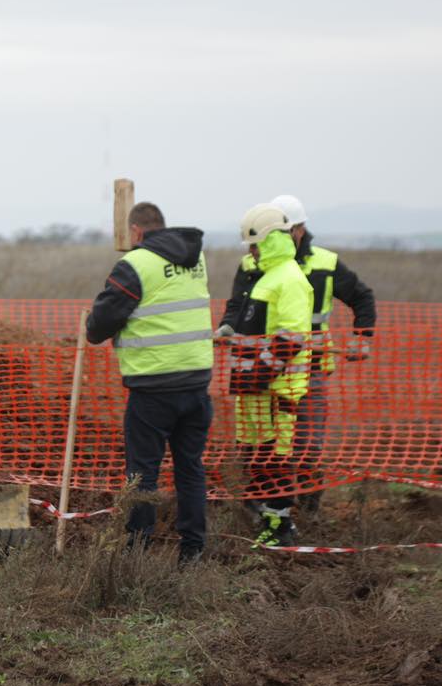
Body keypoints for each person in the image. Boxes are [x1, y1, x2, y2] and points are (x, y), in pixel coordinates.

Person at [85, 201, 214, 564]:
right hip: (196, 383)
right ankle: (192, 551)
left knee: (142, 473)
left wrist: (94, 323)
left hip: (154, 388)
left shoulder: (135, 265)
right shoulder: (196, 259)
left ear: (137, 232)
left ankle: (138, 551)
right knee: (190, 468)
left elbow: (100, 325)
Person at [269, 194, 376, 514]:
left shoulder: (326, 264)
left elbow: (362, 297)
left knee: (308, 442)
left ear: (300, 230)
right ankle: (270, 502)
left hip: (312, 369)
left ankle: (309, 505)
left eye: (286, 231)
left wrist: (362, 337)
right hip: (270, 368)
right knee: (271, 440)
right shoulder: (257, 262)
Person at [220, 203, 312, 548]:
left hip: (276, 392)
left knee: (275, 459)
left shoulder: (288, 279)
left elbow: (291, 337)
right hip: (254, 391)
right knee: (255, 454)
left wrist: (258, 375)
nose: (251, 252)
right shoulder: (267, 277)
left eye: (255, 245)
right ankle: (262, 518)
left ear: (272, 240)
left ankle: (280, 528)